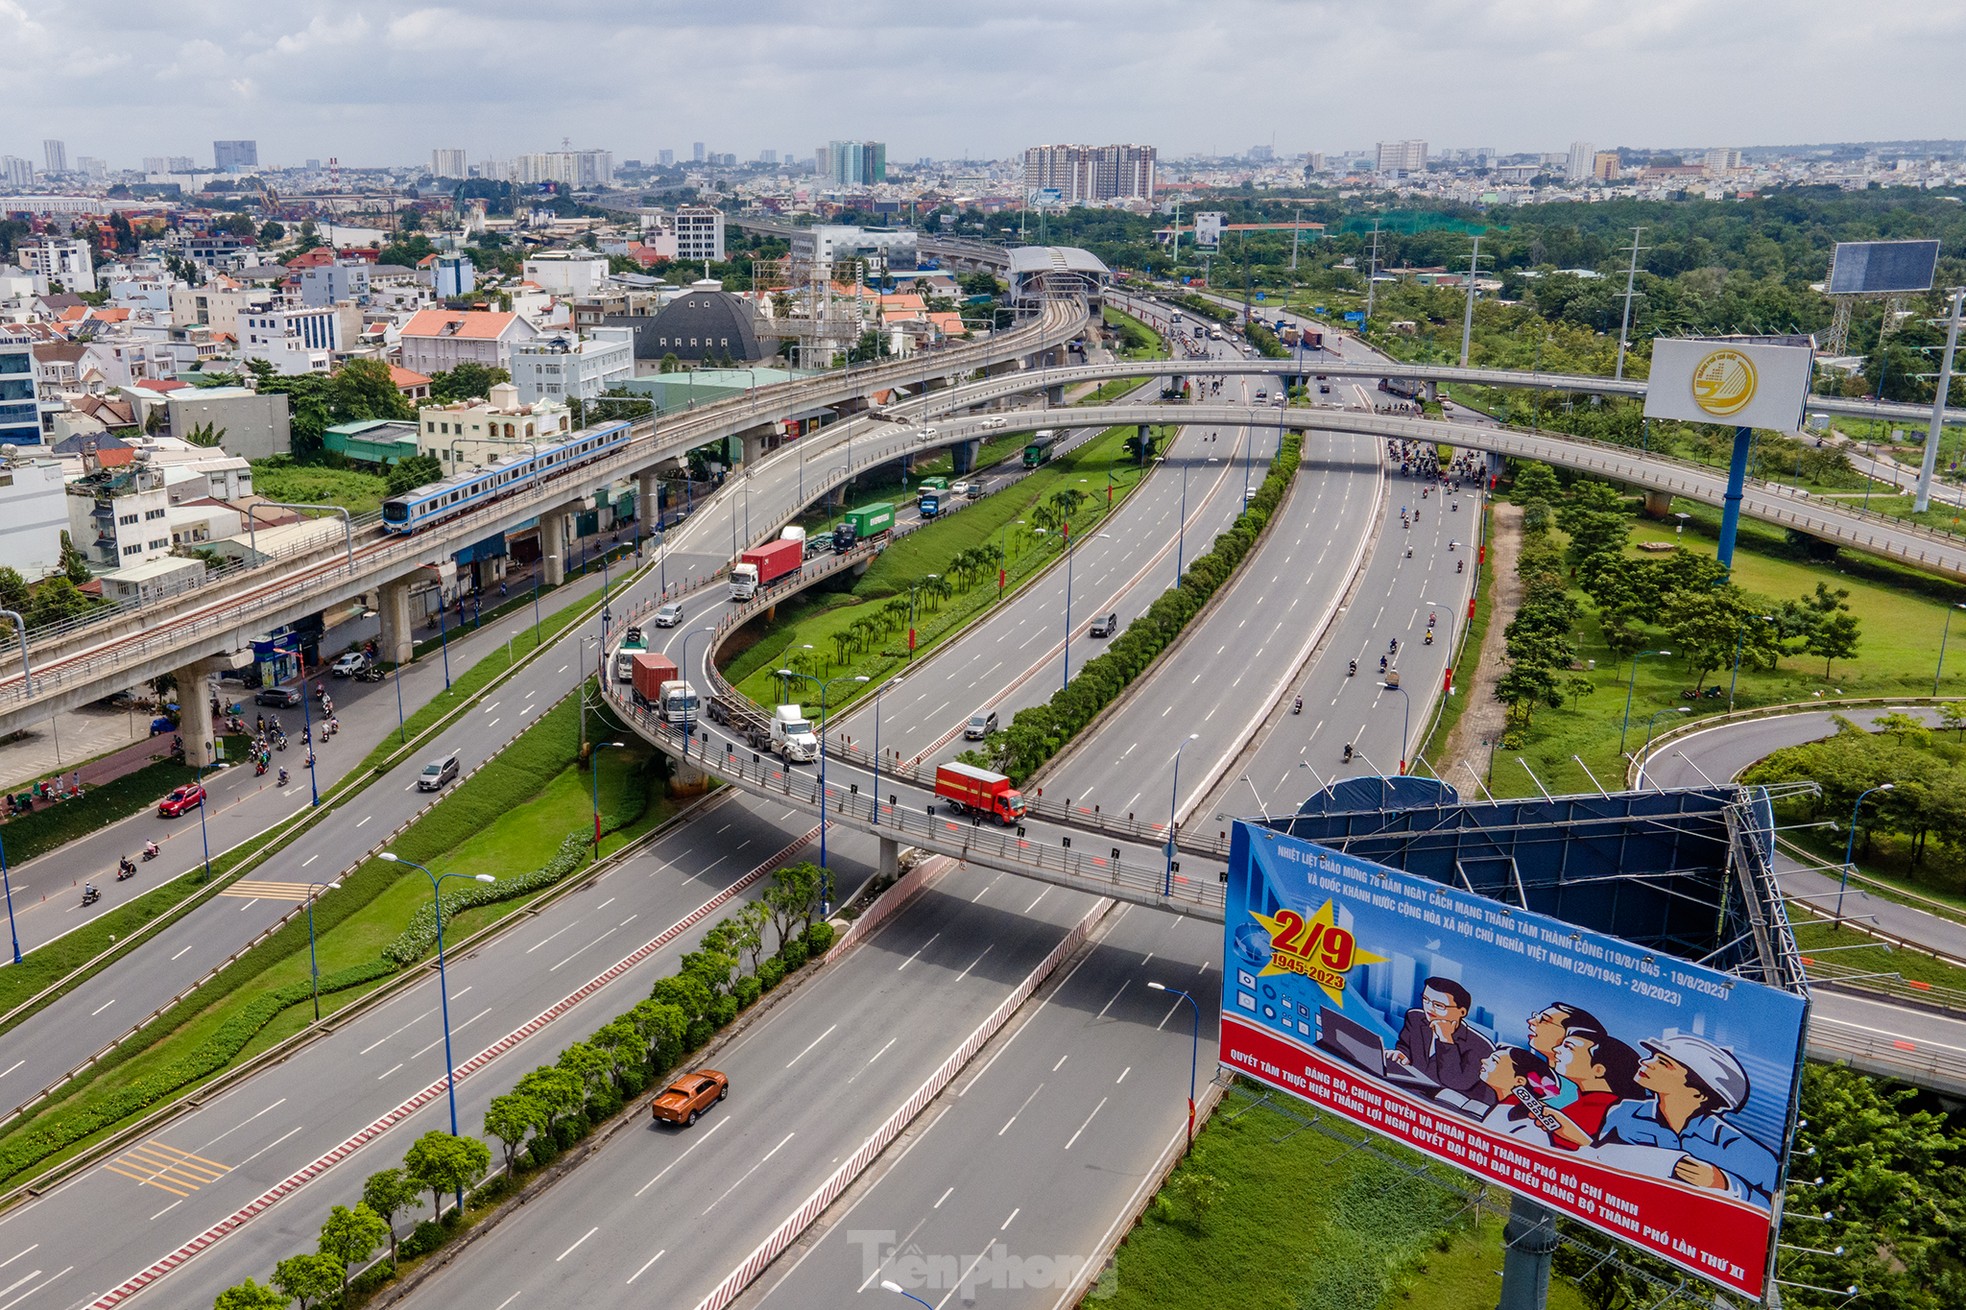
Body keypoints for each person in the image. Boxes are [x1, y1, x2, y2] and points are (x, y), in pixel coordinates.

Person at [1594, 1031, 1779, 1206]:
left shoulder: (1735, 1146)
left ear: (1700, 1093)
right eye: (1653, 1057)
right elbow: (1598, 1162)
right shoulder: (1625, 1112)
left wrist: (1724, 1184)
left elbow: (1766, 1207)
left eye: (1663, 1063)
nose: (1645, 1062)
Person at [1390, 977, 1493, 1099]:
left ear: (1462, 1012)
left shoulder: (1480, 1046)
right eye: (1425, 1000)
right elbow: (1405, 1046)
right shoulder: (1415, 1018)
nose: (1429, 1008)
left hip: (1453, 1107)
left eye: (1438, 1005)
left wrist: (1446, 1040)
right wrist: (1402, 1055)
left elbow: (1455, 1082)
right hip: (1413, 1095)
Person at [1544, 1028, 1643, 1151]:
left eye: (1568, 1047)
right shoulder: (1584, 1099)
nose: (1556, 1050)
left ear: (1598, 1070)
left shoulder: (1602, 1107)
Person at [1475, 1046, 1563, 1142]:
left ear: (1519, 1081)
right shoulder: (1502, 1106)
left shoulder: (1528, 1124)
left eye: (1494, 1061)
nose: (1483, 1060)